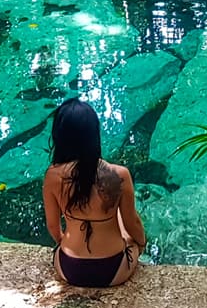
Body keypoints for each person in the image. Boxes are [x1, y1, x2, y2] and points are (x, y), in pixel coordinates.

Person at [43, 98, 146, 288]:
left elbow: (52, 226)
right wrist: (139, 245)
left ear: (59, 136)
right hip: (113, 268)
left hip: (69, 268)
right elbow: (132, 222)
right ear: (94, 134)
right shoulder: (120, 175)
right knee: (122, 221)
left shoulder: (53, 175)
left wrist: (64, 243)